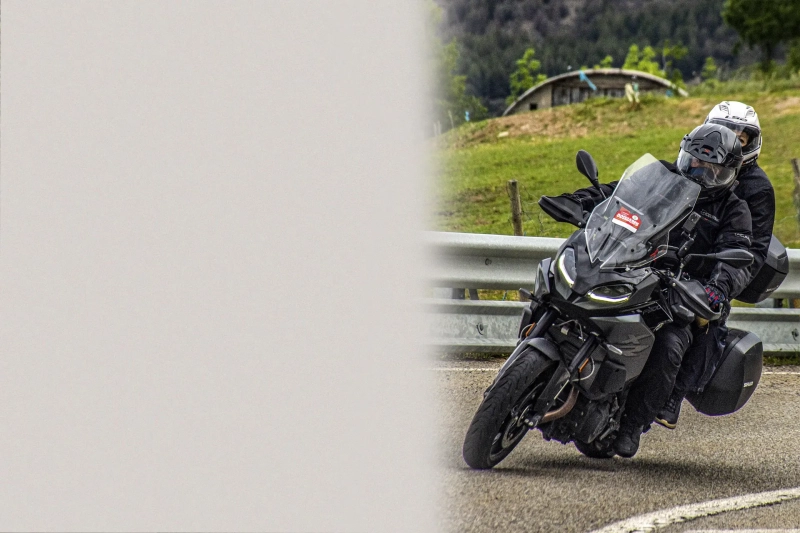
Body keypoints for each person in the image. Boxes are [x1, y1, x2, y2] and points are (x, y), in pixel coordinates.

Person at [558, 123, 752, 457]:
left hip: (680, 293)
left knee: (670, 345)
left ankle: (632, 425)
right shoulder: (659, 175)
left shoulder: (734, 209)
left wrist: (715, 290)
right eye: (695, 161)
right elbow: (615, 194)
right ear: (684, 155)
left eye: (712, 168)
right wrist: (577, 201)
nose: (700, 171)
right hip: (632, 266)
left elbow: (737, 260)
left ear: (730, 172)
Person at [655, 101, 775, 430]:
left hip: (715, 267)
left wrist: (721, 285)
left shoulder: (756, 188)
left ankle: (673, 396)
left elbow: (754, 251)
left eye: (741, 137)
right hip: (671, 252)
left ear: (751, 143)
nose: (732, 139)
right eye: (725, 131)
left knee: (704, 322)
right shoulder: (695, 162)